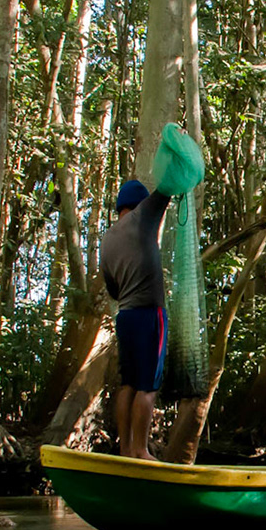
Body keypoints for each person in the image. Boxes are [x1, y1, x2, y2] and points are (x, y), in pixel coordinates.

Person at [100, 178, 172, 459]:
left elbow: (113, 290)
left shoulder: (107, 240)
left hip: (125, 316)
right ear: (140, 204)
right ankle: (141, 450)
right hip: (148, 314)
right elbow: (167, 188)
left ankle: (126, 448)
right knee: (148, 386)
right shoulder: (144, 216)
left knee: (127, 383)